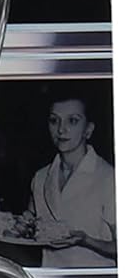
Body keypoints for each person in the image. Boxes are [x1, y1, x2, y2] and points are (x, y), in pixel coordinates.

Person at [28, 91, 116, 268]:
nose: (61, 129)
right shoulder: (41, 177)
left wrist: (86, 240)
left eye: (73, 121)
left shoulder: (109, 178)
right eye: (54, 120)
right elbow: (30, 223)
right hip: (50, 277)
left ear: (88, 130)